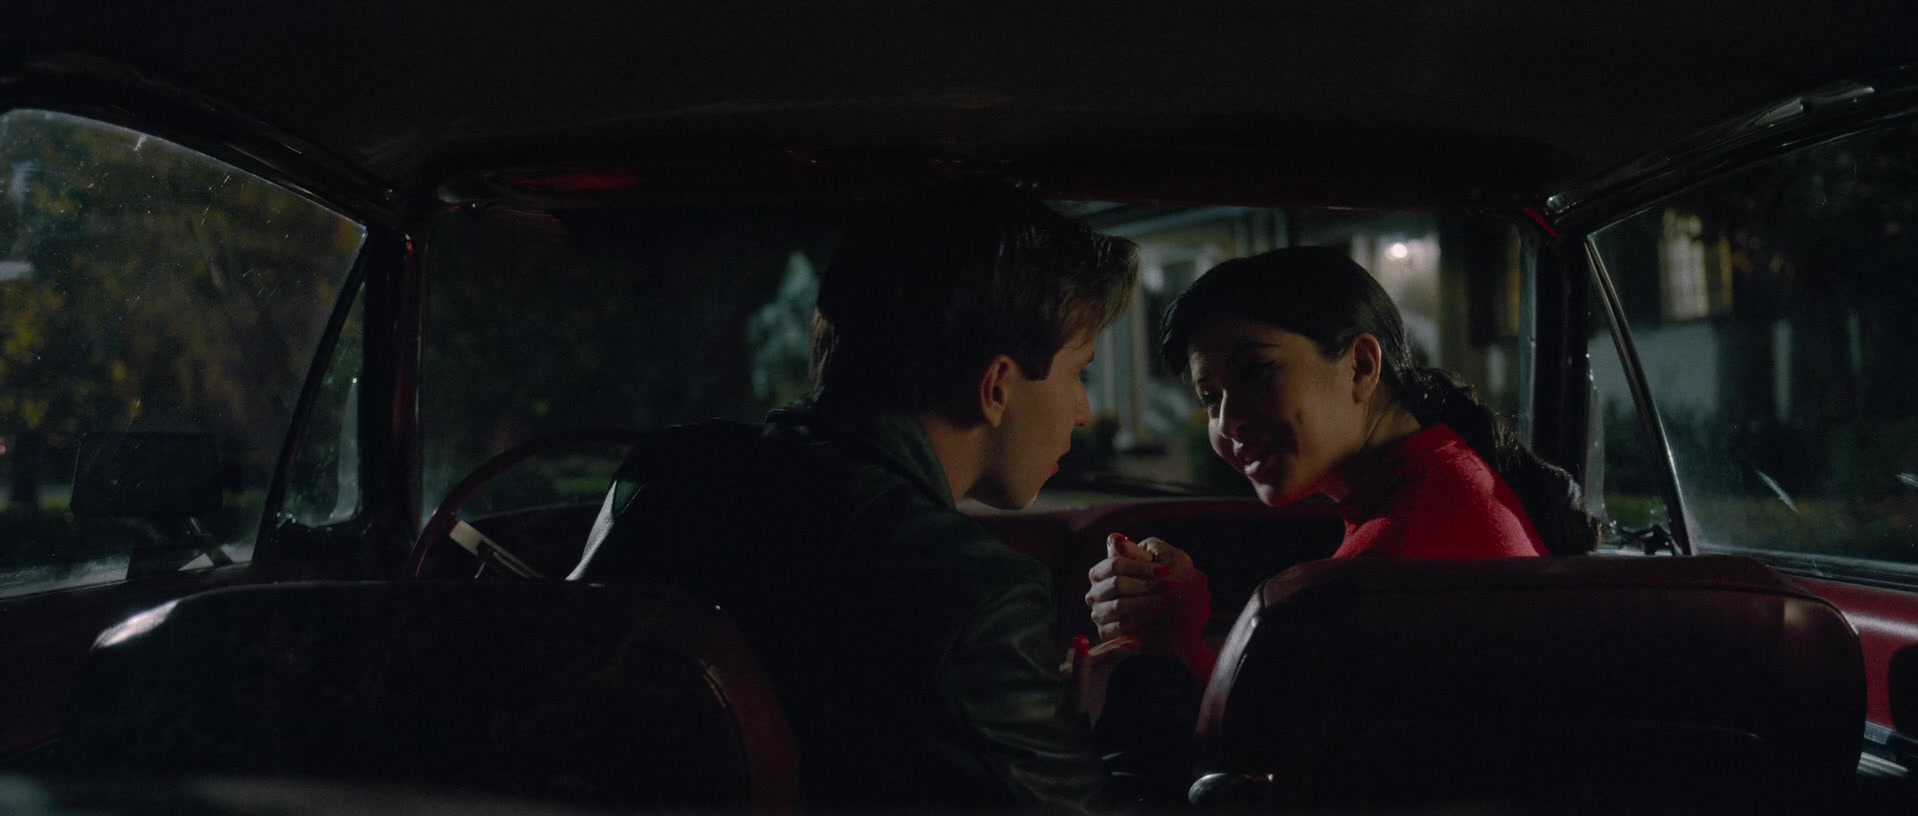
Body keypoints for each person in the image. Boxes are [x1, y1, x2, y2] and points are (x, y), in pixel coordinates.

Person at [569, 181, 1140, 812]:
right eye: (1079, 371)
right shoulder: (976, 597)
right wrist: (1152, 682)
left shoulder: (670, 469)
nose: (1083, 410)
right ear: (997, 386)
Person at [1087, 246, 1599, 679]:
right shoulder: (1444, 485)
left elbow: (1256, 752)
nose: (1229, 421)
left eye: (1256, 372)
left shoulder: (1384, 571)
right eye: (1209, 397)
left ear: (1361, 366)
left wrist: (1173, 645)